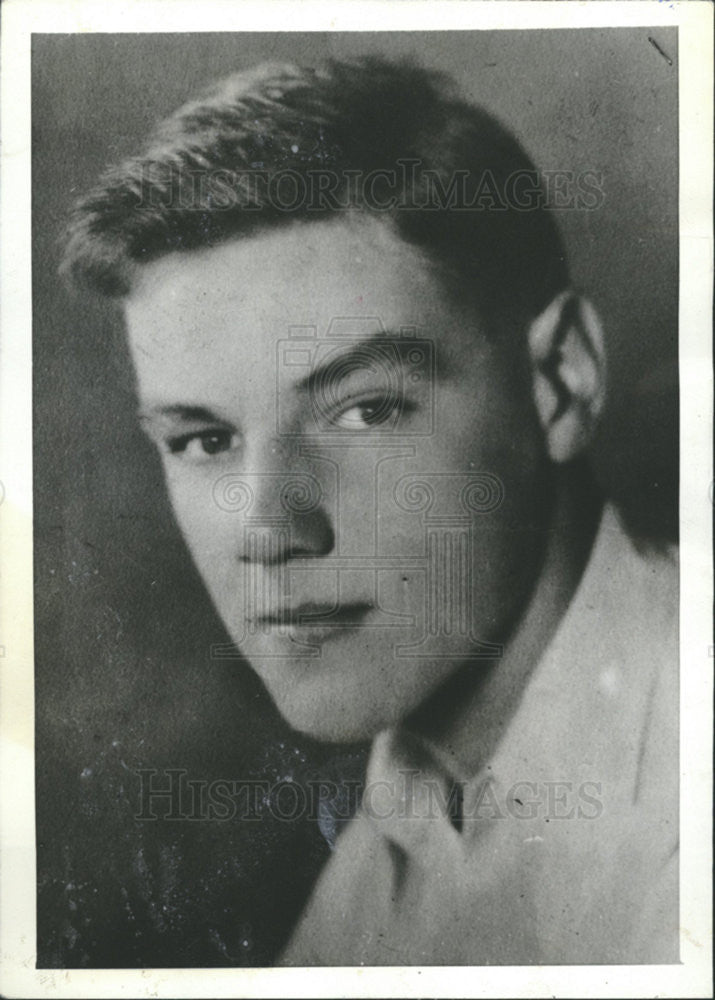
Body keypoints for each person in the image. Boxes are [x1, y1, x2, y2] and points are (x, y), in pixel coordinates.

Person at [60, 56, 678, 965]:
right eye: (203, 439)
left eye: (365, 410)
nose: (267, 532)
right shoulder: (408, 808)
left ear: (559, 380)